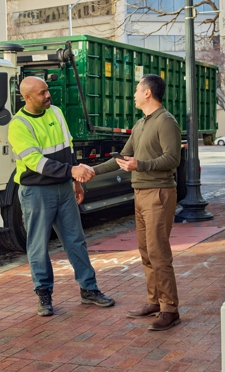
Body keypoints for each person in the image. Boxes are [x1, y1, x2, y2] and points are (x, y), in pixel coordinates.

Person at [7, 76, 115, 317]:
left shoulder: (55, 112)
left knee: (76, 240)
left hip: (64, 188)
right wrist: (72, 172)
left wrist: (75, 180)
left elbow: (69, 147)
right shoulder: (19, 125)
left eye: (47, 91)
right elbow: (35, 161)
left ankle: (89, 289)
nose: (48, 96)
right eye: (42, 93)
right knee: (38, 246)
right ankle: (43, 294)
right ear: (27, 97)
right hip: (36, 191)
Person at [92, 74, 181, 331]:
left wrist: (140, 165)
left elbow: (172, 159)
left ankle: (170, 309)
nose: (133, 94)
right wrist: (92, 171)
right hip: (140, 193)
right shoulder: (141, 123)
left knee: (158, 252)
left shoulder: (166, 122)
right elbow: (123, 157)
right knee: (146, 251)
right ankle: (154, 301)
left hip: (159, 194)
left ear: (148, 93)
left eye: (136, 90)